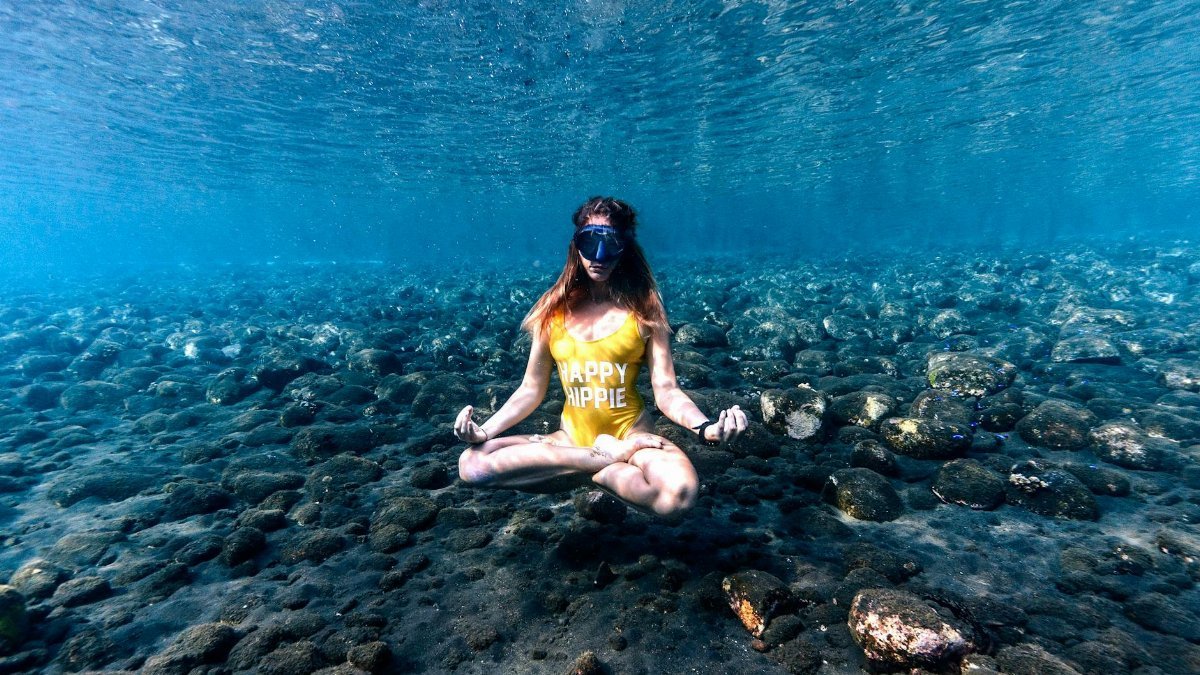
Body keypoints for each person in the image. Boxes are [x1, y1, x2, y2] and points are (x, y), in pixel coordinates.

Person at [455, 196, 748, 517]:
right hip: (571, 441)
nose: (598, 256)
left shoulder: (645, 310)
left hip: (631, 435)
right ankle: (602, 460)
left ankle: (595, 466)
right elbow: (531, 389)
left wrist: (706, 429)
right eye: (588, 241)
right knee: (472, 464)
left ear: (625, 247)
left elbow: (667, 391)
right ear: (575, 244)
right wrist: (485, 431)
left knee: (677, 496)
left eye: (609, 244)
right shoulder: (552, 311)